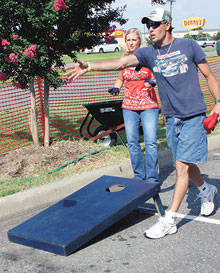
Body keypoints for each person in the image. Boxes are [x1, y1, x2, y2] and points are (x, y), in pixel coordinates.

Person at [66, 7, 220, 239]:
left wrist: (218, 103)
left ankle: (170, 219)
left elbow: (209, 76)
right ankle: (206, 189)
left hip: (193, 115)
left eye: (154, 24)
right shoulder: (149, 53)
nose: (150, 29)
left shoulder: (189, 46)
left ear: (167, 24)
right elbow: (121, 63)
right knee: (186, 164)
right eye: (148, 25)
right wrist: (89, 66)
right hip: (171, 117)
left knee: (181, 167)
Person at [108, 28, 160, 183]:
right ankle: (138, 176)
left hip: (148, 105)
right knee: (132, 142)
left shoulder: (148, 57)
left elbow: (158, 77)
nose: (131, 43)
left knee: (150, 142)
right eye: (128, 40)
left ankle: (152, 177)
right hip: (129, 106)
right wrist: (116, 87)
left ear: (140, 41)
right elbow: (120, 79)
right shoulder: (123, 59)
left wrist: (153, 82)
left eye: (134, 40)